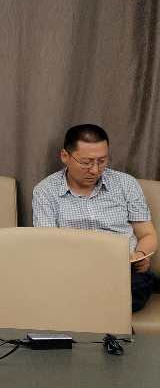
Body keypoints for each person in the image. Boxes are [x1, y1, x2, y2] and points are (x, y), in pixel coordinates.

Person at [33, 123, 157, 312]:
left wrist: (140, 255)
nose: (95, 170)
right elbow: (46, 245)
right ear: (65, 156)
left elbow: (147, 234)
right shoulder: (45, 191)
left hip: (124, 272)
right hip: (73, 272)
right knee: (52, 286)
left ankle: (85, 308)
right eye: (86, 162)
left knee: (137, 287)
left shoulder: (126, 184)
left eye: (102, 161)